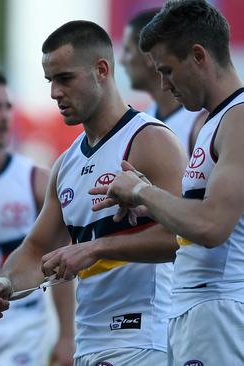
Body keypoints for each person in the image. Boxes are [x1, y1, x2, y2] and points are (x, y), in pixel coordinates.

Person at [0, 20, 187, 365]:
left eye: (64, 79)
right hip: (89, 343)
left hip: (144, 338)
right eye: (50, 81)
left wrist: (96, 247)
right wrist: (2, 284)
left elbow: (182, 239)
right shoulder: (65, 164)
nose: (54, 93)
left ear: (101, 70)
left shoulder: (150, 141)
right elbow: (36, 251)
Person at [92, 1, 244, 364]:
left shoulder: (238, 119)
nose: (163, 84)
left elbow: (211, 226)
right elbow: (200, 216)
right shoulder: (214, 120)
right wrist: (150, 201)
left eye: (167, 70)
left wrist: (143, 190)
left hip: (220, 307)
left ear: (198, 56)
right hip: (196, 308)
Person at [0, 69, 76, 366]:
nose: (4, 116)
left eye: (7, 106)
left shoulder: (35, 179)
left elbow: (58, 264)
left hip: (23, 329)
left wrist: (66, 335)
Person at [120, 8, 204, 156]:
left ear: (149, 56)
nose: (122, 61)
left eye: (127, 50)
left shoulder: (199, 123)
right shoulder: (144, 118)